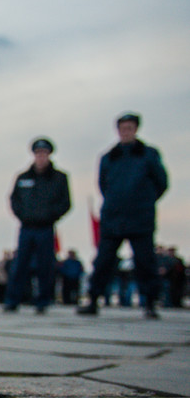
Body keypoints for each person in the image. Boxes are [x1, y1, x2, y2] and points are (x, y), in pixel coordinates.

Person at [78, 113, 168, 319]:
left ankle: (150, 302)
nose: (125, 131)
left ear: (136, 129)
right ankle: (93, 299)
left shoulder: (148, 154)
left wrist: (144, 201)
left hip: (140, 217)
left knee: (145, 261)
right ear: (117, 131)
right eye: (122, 128)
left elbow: (161, 183)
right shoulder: (109, 157)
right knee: (103, 261)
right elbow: (103, 185)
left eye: (129, 128)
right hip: (113, 218)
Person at [3, 138, 71, 314]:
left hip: (46, 228)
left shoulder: (58, 178)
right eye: (38, 153)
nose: (41, 156)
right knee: (20, 264)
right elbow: (14, 200)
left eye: (44, 153)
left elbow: (65, 202)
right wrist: (23, 216)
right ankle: (13, 300)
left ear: (49, 155)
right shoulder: (23, 177)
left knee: (45, 265)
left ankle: (43, 300)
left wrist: (50, 216)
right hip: (26, 227)